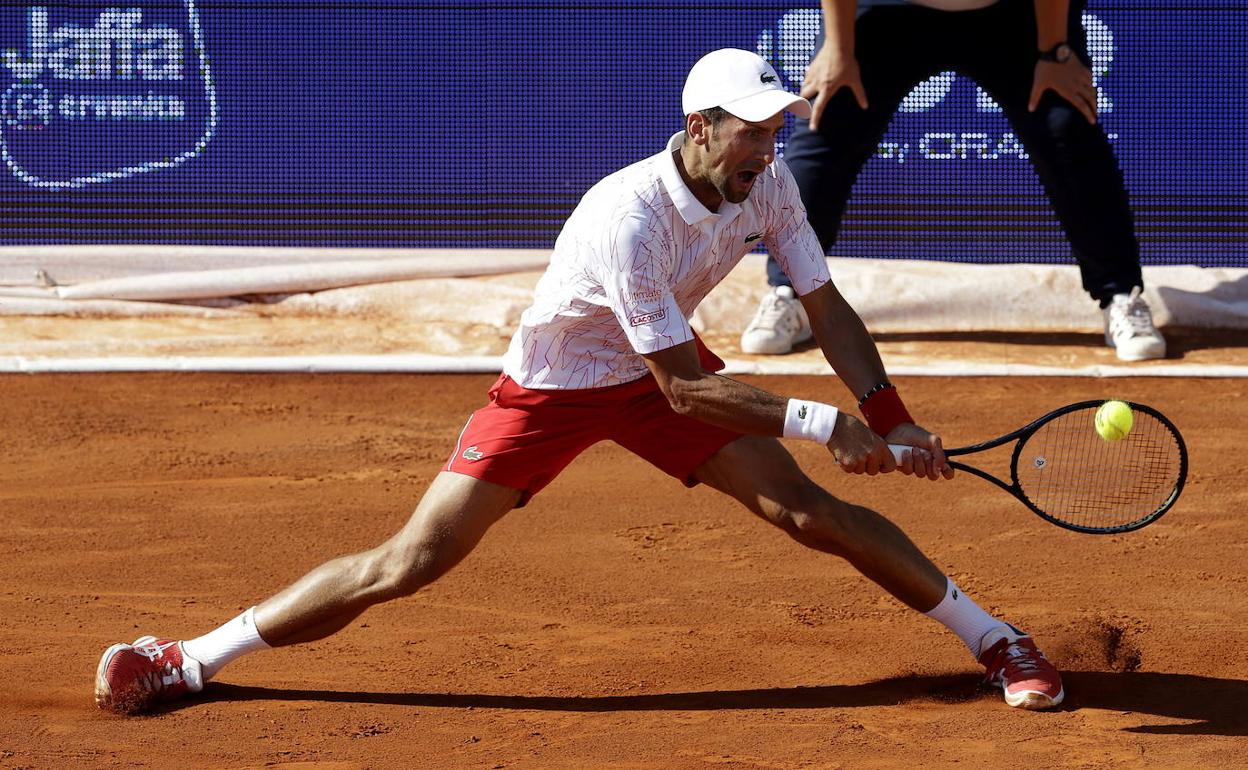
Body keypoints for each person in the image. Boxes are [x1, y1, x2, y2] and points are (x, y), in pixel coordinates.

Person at [94, 48, 1064, 716]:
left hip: (663, 372)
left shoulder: (765, 182)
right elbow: (685, 388)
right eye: (755, 132)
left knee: (811, 514)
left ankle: (995, 637)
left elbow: (824, 302)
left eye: (778, 130)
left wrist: (892, 416)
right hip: (562, 384)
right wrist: (827, 421)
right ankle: (190, 658)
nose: (771, 147)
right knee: (412, 559)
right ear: (700, 126)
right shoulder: (627, 219)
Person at [740, 0, 1166, 362]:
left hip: (1012, 13)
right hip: (890, 12)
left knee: (1067, 125)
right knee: (827, 120)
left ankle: (1119, 296)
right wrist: (838, 44)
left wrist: (1054, 51)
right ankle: (791, 292)